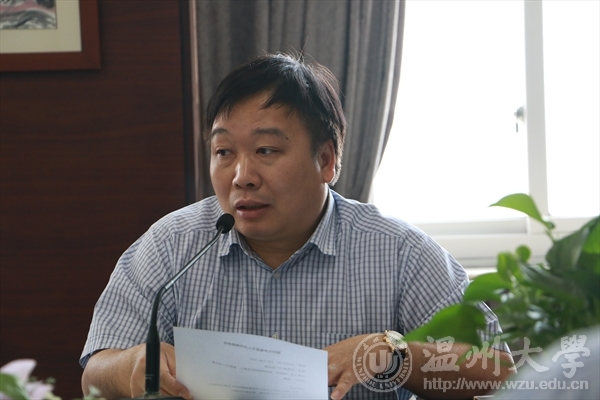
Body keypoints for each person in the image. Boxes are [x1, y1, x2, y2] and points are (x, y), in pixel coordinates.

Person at [80, 53, 513, 400]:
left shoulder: (399, 252)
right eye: (224, 152)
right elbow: (96, 372)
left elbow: (500, 371)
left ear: (326, 160)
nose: (241, 176)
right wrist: (132, 365)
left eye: (266, 150)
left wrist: (394, 356)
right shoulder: (171, 245)